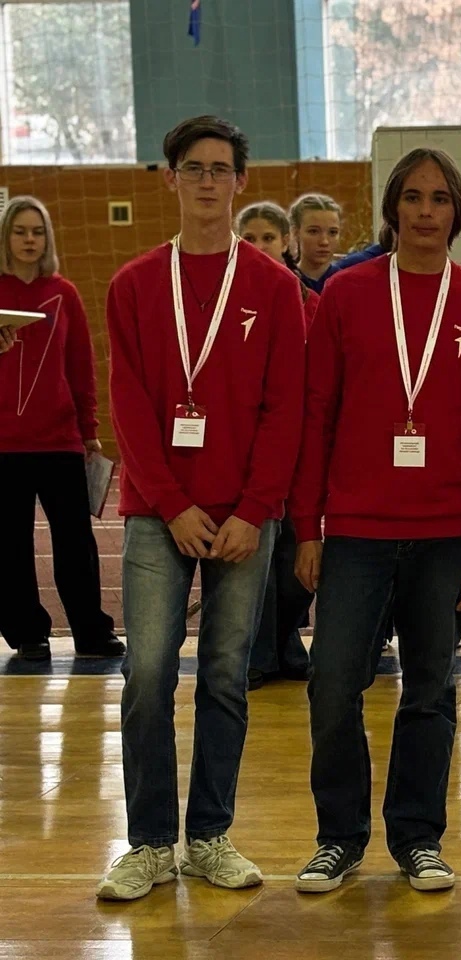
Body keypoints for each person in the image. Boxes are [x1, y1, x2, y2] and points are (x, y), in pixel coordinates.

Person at [95, 115, 306, 901]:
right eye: (195, 167)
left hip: (249, 516)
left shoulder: (274, 287)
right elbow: (130, 405)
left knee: (224, 674)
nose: (209, 181)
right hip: (160, 513)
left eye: (222, 168)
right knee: (147, 672)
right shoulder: (133, 284)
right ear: (170, 178)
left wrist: (254, 509)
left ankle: (209, 835)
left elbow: (283, 408)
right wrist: (175, 504)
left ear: (242, 182)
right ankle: (149, 843)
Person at [290, 147, 461, 894]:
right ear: (391, 207)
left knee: (430, 690)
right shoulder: (345, 296)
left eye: (439, 198)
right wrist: (307, 527)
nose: (424, 211)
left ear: (457, 211)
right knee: (332, 684)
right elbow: (316, 414)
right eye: (411, 197)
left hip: (445, 529)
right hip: (355, 529)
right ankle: (338, 838)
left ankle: (418, 837)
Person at [0, 196, 121, 662]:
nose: (30, 240)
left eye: (37, 232)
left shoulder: (63, 292)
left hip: (60, 441)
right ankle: (27, 632)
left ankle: (92, 631)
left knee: (75, 542)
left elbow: (80, 368)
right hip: (4, 446)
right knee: (9, 545)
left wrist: (89, 431)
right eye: (20, 231)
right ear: (6, 238)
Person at [235, 201, 316, 688]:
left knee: (294, 565)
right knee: (258, 561)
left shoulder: (309, 300)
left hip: (303, 447)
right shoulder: (232, 299)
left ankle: (285, 638)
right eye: (252, 237)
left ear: (288, 242)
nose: (261, 246)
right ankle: (261, 654)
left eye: (270, 237)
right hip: (252, 447)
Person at [238, 200, 320, 329]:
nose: (258, 247)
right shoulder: (223, 297)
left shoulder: (310, 303)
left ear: (285, 242)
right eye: (249, 239)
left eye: (268, 238)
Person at [290, 193, 342, 294]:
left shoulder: (348, 283)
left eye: (332, 232)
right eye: (313, 231)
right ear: (296, 233)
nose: (324, 242)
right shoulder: (285, 281)